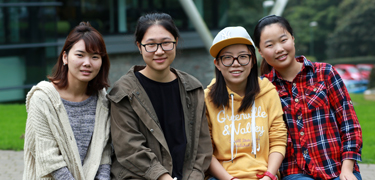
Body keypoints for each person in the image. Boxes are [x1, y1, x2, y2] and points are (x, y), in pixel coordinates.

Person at [253, 15, 363, 180]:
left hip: (337, 169)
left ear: (293, 39)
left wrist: (347, 169)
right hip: (294, 173)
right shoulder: (264, 88)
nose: (279, 49)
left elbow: (349, 124)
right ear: (260, 51)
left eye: (283, 40)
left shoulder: (325, 73)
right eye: (269, 45)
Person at [107, 12, 212, 180]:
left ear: (176, 42)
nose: (159, 51)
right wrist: (163, 177)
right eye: (151, 45)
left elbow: (202, 148)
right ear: (139, 46)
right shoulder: (123, 91)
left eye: (166, 43)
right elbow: (129, 148)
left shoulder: (192, 88)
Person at [23, 22, 112, 180]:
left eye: (95, 57)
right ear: (65, 57)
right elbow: (49, 158)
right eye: (80, 55)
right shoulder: (42, 98)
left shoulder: (102, 99)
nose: (87, 63)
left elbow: (103, 151)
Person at [204, 26, 287, 180]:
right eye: (227, 57)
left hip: (264, 176)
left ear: (253, 60)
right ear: (217, 63)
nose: (236, 63)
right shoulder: (206, 98)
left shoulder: (268, 92)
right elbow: (205, 150)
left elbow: (278, 139)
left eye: (243, 56)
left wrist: (269, 176)